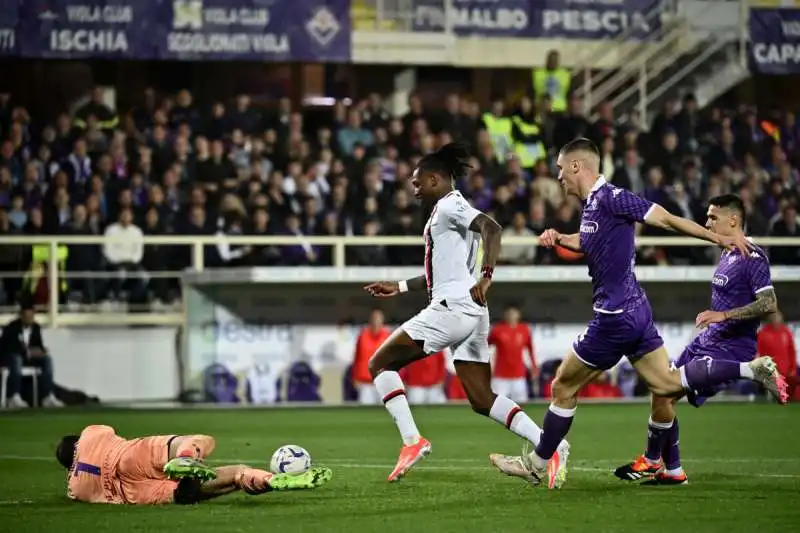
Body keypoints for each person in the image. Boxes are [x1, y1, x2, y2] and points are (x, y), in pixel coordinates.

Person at [489, 138, 788, 489]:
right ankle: (747, 372)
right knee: (664, 385)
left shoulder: (614, 198)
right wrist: (559, 238)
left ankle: (540, 462)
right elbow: (588, 243)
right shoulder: (593, 207)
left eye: (559, 168)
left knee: (562, 384)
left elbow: (664, 218)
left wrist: (715, 239)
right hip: (637, 311)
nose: (558, 177)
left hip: (613, 316)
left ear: (576, 166)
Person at [363, 142, 568, 483]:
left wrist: (488, 276)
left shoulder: (450, 206)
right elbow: (439, 273)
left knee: (380, 364)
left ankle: (412, 441)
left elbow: (493, 228)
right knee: (481, 398)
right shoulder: (452, 211)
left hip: (452, 308)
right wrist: (398, 287)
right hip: (471, 309)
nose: (414, 189)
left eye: (417, 183)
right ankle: (552, 445)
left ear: (434, 179)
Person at [614, 194, 787, 485]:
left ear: (733, 220)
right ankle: (672, 469)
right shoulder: (727, 251)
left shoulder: (752, 256)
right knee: (661, 390)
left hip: (731, 347)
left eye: (713, 218)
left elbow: (769, 303)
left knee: (665, 390)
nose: (707, 222)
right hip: (707, 340)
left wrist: (724, 315)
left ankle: (652, 459)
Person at [55, 425, 332, 505]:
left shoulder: (75, 488)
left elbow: (78, 487)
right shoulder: (92, 433)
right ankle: (187, 455)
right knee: (200, 440)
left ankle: (265, 482)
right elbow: (105, 430)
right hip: (129, 456)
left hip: (133, 494)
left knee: (195, 490)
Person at [0, 300, 62, 408]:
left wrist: (42, 351)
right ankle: (14, 396)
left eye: (31, 316)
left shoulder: (36, 328)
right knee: (16, 359)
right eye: (27, 316)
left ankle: (47, 396)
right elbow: (8, 347)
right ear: (21, 316)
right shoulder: (11, 328)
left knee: (47, 360)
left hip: (29, 357)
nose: (30, 319)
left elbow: (38, 344)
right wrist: (28, 352)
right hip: (10, 358)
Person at [489, 306, 537, 403]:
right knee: (497, 404)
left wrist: (534, 367)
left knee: (520, 404)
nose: (512, 316)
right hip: (500, 375)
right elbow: (485, 345)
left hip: (518, 375)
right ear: (505, 316)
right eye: (509, 314)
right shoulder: (497, 330)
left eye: (514, 313)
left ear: (518, 315)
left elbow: (530, 349)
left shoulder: (524, 330)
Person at [352, 309, 391, 405]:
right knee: (365, 411)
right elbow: (357, 357)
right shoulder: (363, 335)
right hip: (365, 382)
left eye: (378, 319)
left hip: (383, 381)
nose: (376, 321)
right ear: (370, 320)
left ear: (382, 320)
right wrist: (355, 377)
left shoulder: (388, 336)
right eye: (374, 318)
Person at [757, 311, 797, 401]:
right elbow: (760, 353)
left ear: (781, 318)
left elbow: (792, 352)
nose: (775, 319)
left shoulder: (786, 332)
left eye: (777, 317)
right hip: (771, 368)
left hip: (786, 369)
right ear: (769, 319)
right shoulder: (763, 333)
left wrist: (793, 368)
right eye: (773, 317)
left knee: (791, 390)